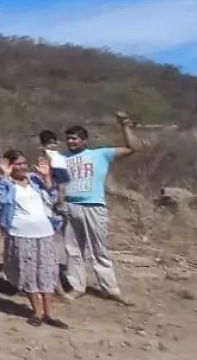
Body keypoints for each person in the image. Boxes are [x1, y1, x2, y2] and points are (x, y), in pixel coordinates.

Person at [58, 115, 140, 304]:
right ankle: (77, 287)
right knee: (73, 250)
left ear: (85, 140)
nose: (71, 141)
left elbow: (133, 148)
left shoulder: (100, 154)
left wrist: (125, 126)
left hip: (93, 206)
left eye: (75, 138)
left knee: (98, 250)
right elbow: (58, 183)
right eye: (68, 138)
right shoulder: (62, 159)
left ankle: (110, 289)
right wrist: (59, 202)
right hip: (70, 207)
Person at [0, 149, 67, 328]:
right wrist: (5, 177)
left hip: (44, 231)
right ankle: (37, 312)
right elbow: (1, 200)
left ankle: (49, 313)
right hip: (21, 232)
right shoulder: (4, 183)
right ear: (10, 165)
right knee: (29, 273)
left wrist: (47, 177)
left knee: (46, 272)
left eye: (23, 163)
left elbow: (52, 196)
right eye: (17, 164)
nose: (22, 167)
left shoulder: (34, 179)